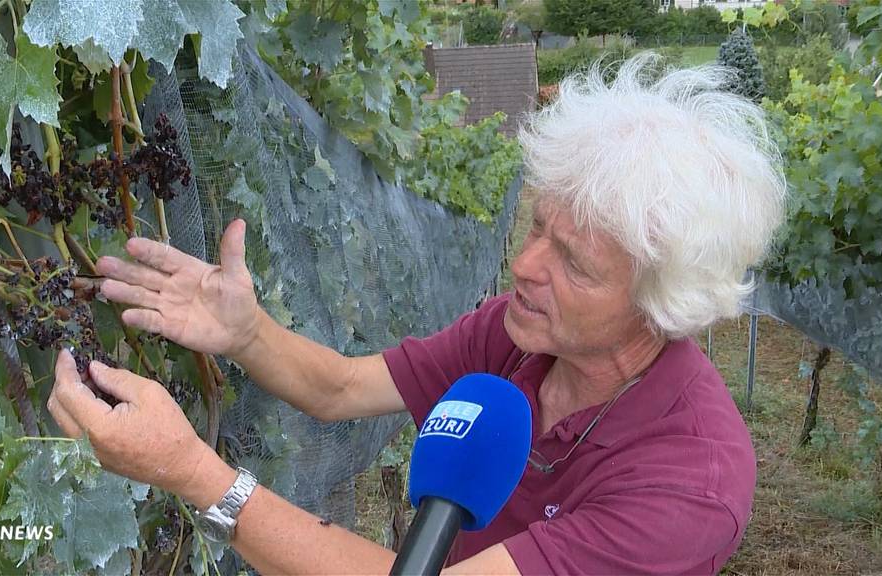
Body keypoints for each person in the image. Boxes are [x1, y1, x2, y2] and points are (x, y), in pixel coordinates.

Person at [48, 54, 786, 574]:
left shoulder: (689, 480)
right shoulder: (515, 338)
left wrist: (195, 475)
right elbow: (339, 389)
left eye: (575, 264)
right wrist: (247, 333)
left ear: (659, 305)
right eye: (537, 228)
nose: (525, 266)